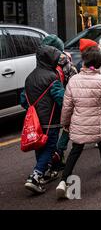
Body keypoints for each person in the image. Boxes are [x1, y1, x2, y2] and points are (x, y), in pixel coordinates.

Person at [56, 46, 101, 199]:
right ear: (99, 64)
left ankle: (63, 181)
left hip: (79, 123)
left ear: (84, 62)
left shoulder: (74, 80)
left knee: (75, 150)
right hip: (99, 122)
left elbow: (67, 106)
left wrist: (65, 123)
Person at [20, 45, 65, 194]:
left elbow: (23, 100)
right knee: (50, 146)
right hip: (50, 120)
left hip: (35, 120)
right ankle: (36, 175)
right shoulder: (52, 77)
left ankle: (44, 172)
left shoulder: (29, 77)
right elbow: (60, 98)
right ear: (50, 59)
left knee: (39, 146)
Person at [41, 35, 78, 172]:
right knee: (67, 127)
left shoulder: (42, 62)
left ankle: (51, 160)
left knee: (49, 131)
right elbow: (74, 79)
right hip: (64, 98)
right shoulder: (66, 61)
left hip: (46, 101)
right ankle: (59, 152)